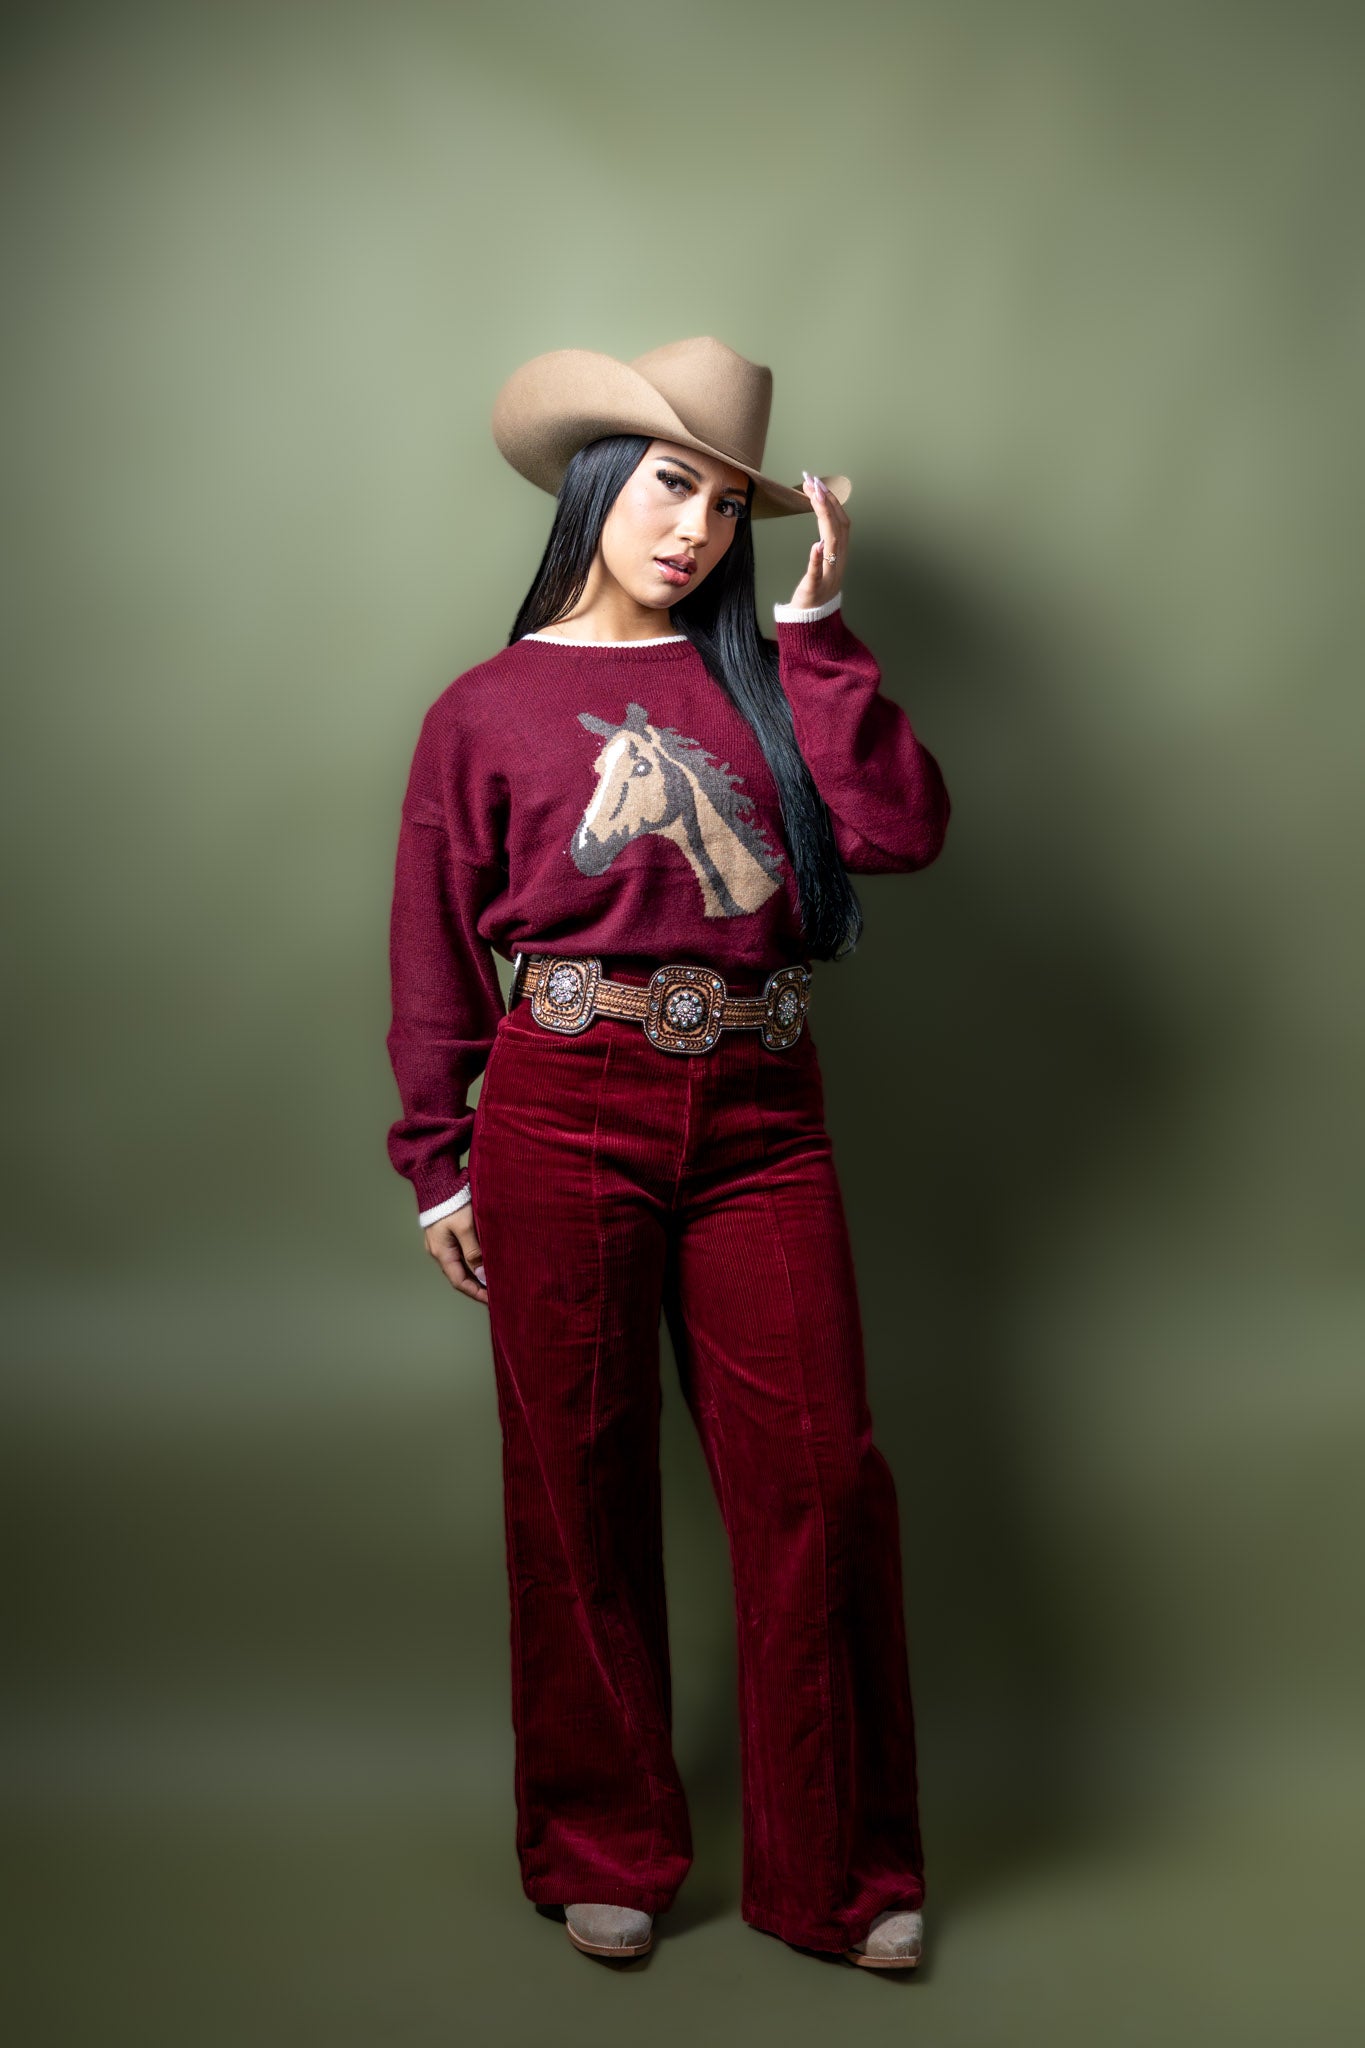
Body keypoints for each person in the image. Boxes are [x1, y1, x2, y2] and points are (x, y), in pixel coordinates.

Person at [384, 336, 950, 1969]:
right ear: (593, 488)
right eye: (665, 485)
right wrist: (439, 1160)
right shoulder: (481, 709)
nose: (692, 528)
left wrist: (818, 638)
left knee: (819, 1478)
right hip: (559, 1105)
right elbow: (432, 950)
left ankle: (832, 1873)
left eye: (720, 504)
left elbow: (899, 831)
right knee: (577, 1479)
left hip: (764, 1117)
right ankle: (601, 1841)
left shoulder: (772, 684)